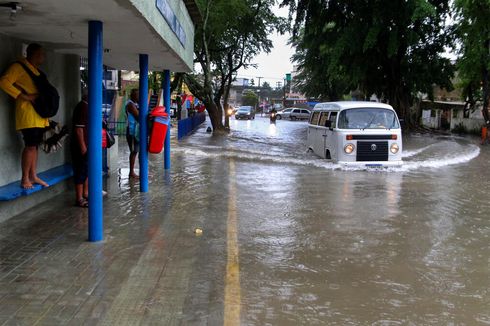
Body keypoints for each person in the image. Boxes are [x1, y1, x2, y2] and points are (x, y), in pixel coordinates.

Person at [0, 43, 50, 189]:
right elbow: (3, 82)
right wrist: (23, 96)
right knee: (29, 146)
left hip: (39, 114)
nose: (43, 56)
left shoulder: (35, 70)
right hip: (27, 113)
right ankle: (24, 179)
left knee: (35, 146)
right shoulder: (18, 67)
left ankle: (33, 175)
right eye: (41, 53)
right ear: (34, 54)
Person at [71, 92, 89, 207]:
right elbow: (79, 130)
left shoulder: (86, 106)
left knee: (86, 170)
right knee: (81, 171)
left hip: (87, 146)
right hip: (81, 147)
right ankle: (79, 198)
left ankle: (85, 193)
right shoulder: (82, 107)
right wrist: (83, 148)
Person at [126, 89, 139, 178]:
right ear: (133, 95)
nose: (139, 97)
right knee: (134, 151)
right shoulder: (130, 104)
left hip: (136, 131)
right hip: (132, 131)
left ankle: (132, 171)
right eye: (137, 95)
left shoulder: (135, 104)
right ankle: (131, 172)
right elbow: (138, 116)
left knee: (136, 151)